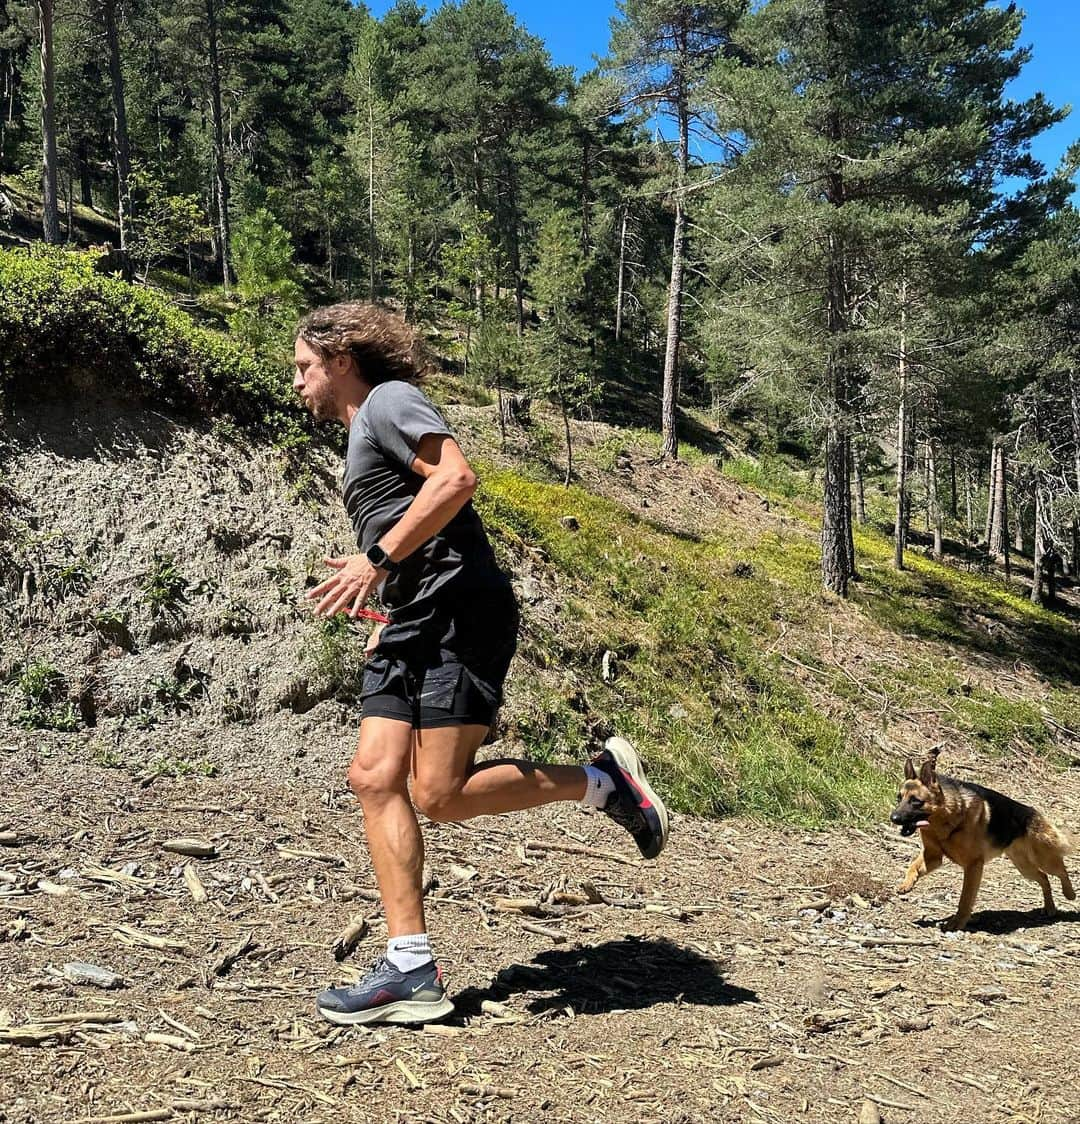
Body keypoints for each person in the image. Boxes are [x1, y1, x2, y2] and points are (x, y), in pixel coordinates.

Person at [292, 301, 669, 1026]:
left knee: (439, 794)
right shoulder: (361, 433)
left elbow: (455, 481)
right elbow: (421, 528)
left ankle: (603, 783)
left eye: (305, 366)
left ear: (341, 359)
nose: (299, 381)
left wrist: (377, 560)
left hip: (462, 613)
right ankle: (410, 969)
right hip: (414, 617)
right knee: (373, 776)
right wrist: (391, 596)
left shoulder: (388, 402)